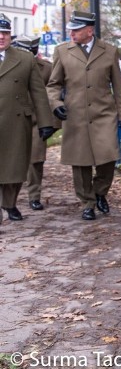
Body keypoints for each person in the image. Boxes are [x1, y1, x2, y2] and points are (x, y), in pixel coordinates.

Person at [46, 10, 121, 221]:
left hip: (104, 114)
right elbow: (53, 85)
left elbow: (118, 86)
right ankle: (88, 203)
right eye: (71, 29)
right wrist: (56, 104)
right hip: (75, 115)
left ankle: (100, 191)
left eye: (76, 30)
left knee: (108, 157)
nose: (71, 33)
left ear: (89, 31)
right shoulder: (62, 52)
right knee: (81, 162)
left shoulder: (109, 51)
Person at [0, 15, 55, 224]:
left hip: (16, 122)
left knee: (14, 170)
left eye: (5, 33)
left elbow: (38, 93)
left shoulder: (24, 59)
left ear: (10, 35)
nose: (1, 37)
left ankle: (9, 203)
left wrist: (45, 122)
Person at [13, 35, 61, 211]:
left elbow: (53, 95)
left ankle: (34, 196)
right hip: (12, 121)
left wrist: (51, 124)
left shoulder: (47, 69)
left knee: (35, 161)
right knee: (11, 160)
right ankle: (10, 198)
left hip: (35, 122)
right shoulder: (8, 65)